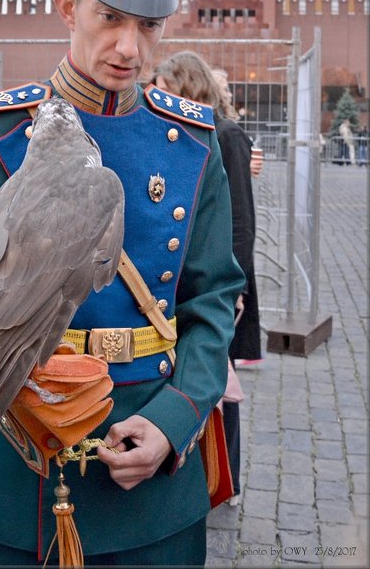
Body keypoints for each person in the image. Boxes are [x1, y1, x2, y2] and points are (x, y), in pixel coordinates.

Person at [0, 0, 245, 567]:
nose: (130, 47)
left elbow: (214, 298)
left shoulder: (192, 143)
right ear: (66, 6)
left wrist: (175, 419)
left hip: (150, 485)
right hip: (20, 474)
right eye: (110, 18)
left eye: (149, 25)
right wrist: (17, 388)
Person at [153, 51, 262, 506]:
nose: (156, 97)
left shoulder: (227, 135)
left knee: (219, 376)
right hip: (184, 278)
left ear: (187, 86)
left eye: (164, 87)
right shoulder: (174, 134)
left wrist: (232, 288)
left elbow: (239, 220)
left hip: (223, 280)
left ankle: (225, 476)